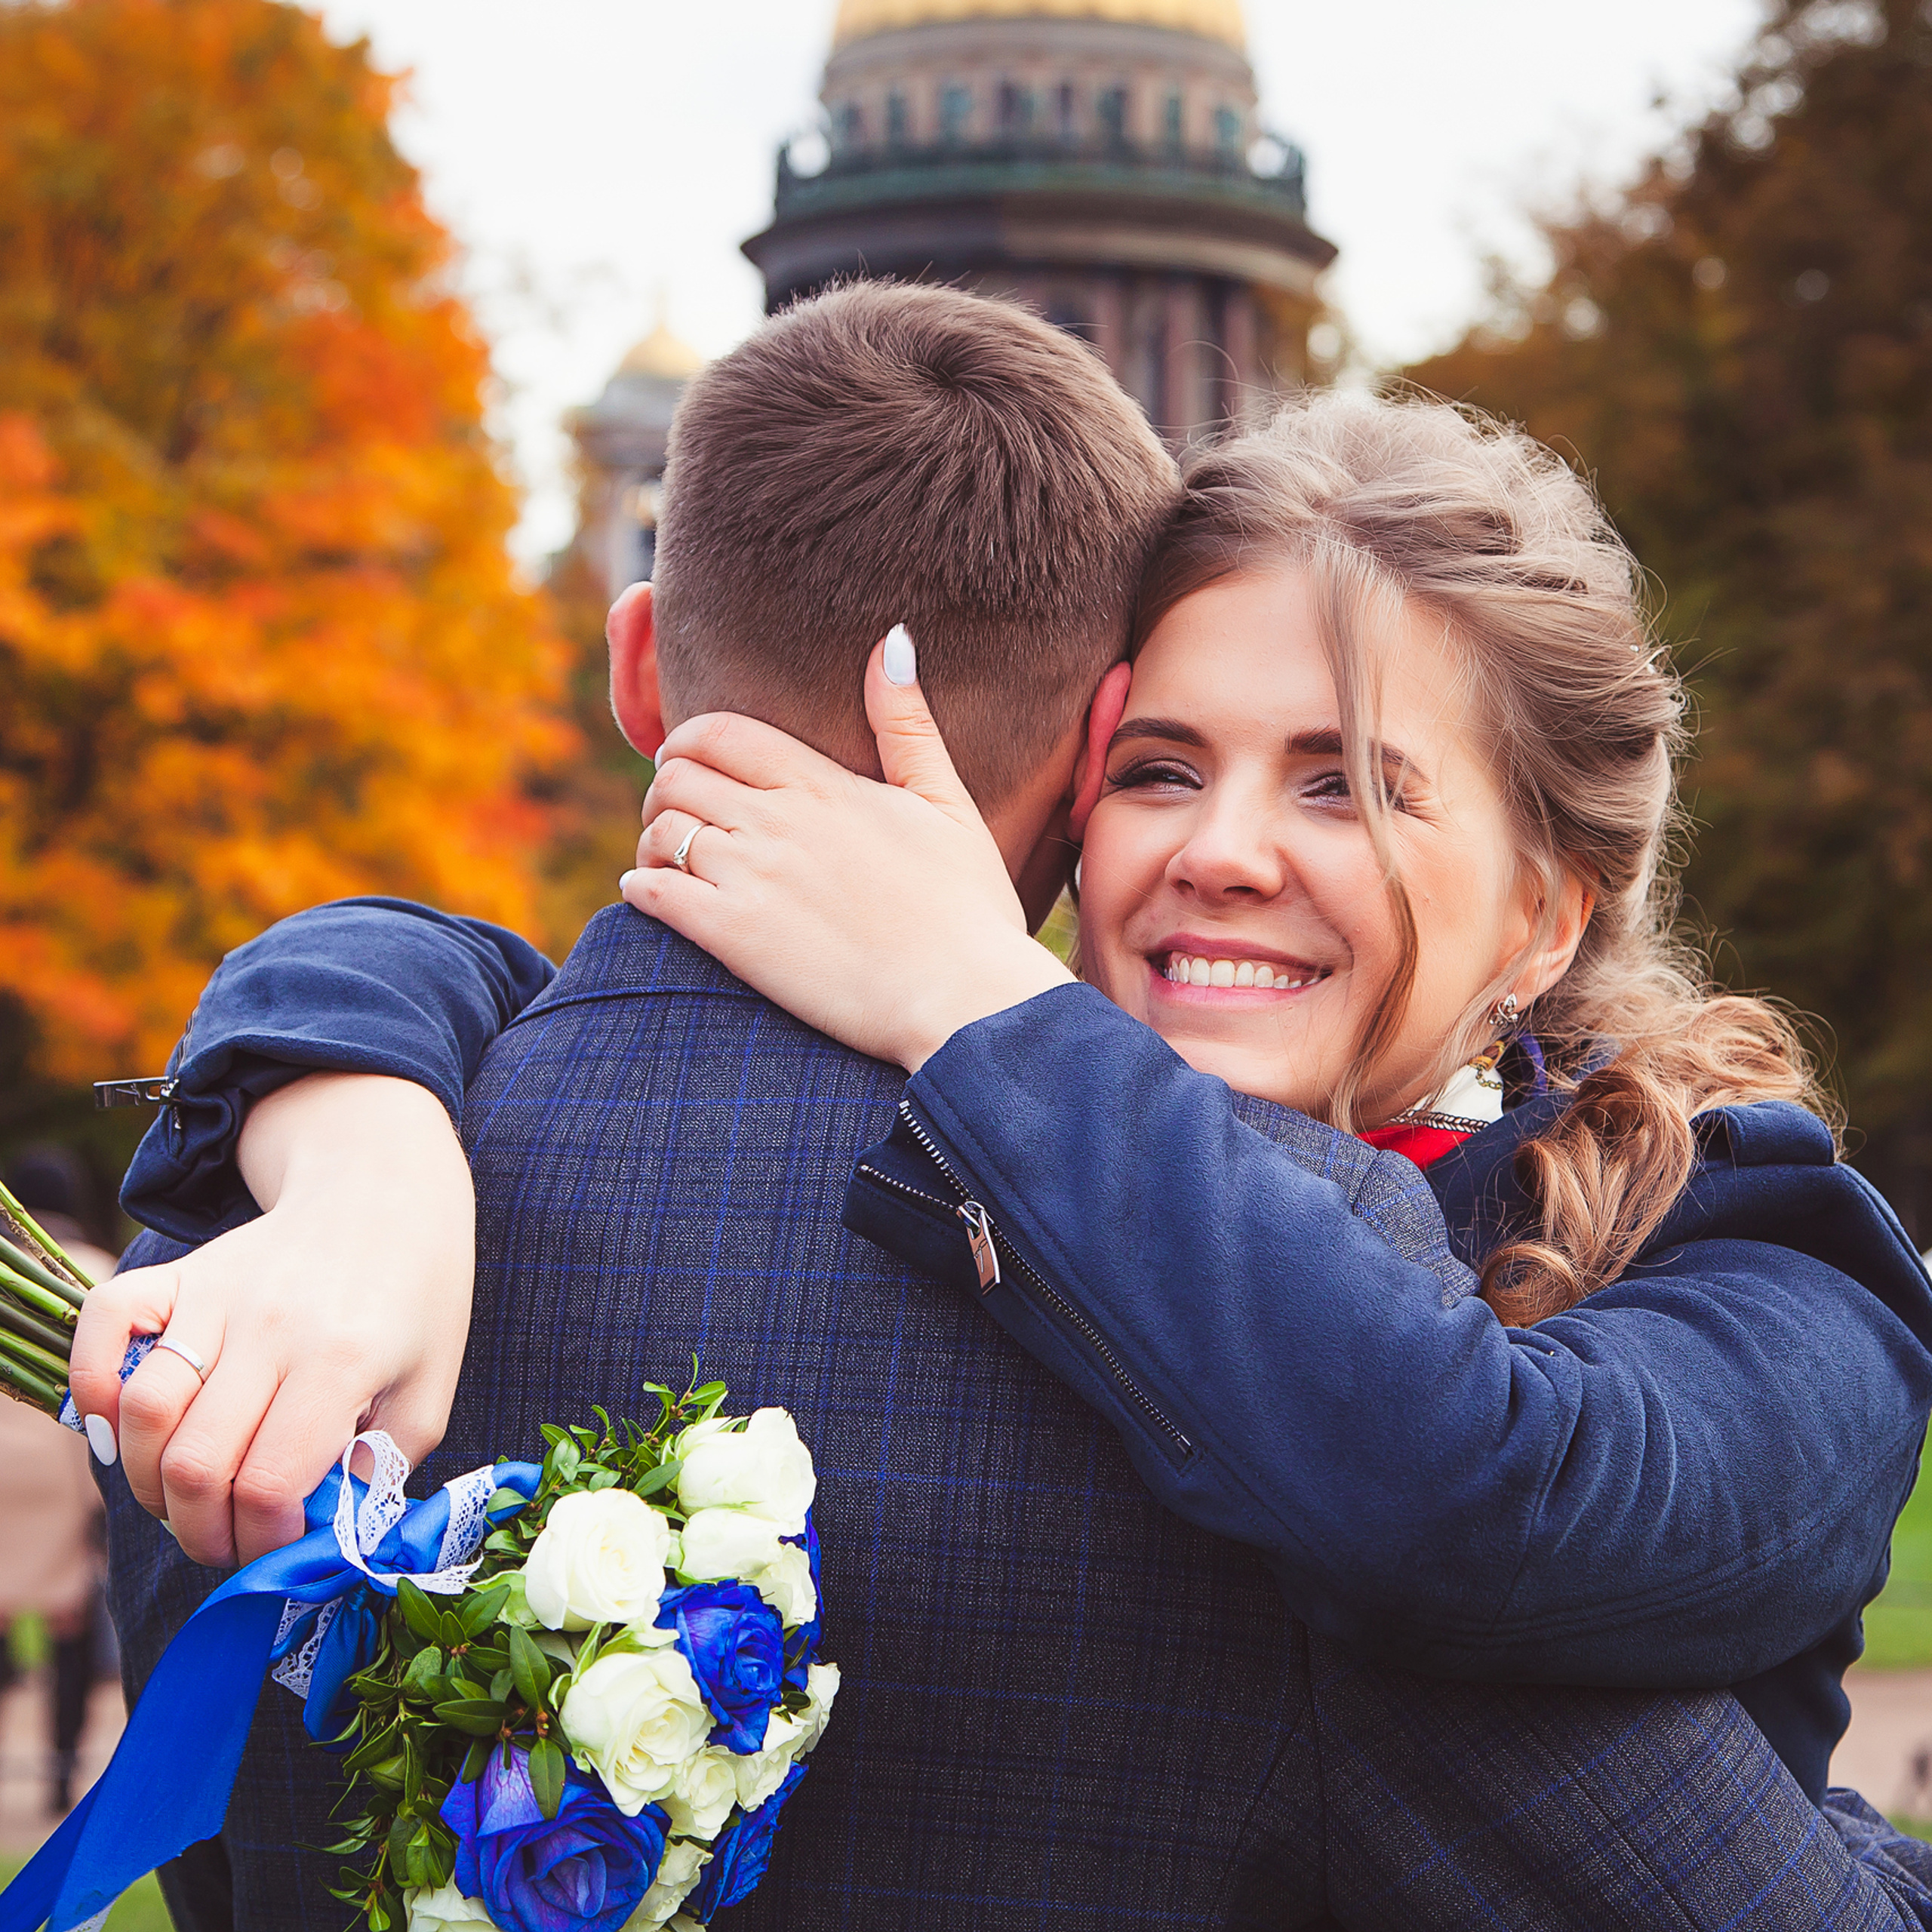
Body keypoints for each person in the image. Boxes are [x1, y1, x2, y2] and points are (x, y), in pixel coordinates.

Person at [74, 292, 1932, 1929]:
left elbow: (1473, 1485)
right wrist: (362, 1153)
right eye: (1156, 765)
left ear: (1546, 906)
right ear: (1052, 782)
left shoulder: (1746, 1255)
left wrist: (981, 998)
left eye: (1342, 783)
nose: (1217, 852)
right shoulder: (322, 1251)